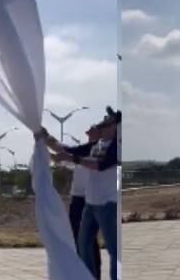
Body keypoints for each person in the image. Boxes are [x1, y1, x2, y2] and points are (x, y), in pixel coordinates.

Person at [40, 108, 121, 280]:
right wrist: (46, 137)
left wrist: (72, 159)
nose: (103, 123)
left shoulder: (117, 147)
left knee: (114, 251)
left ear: (116, 126)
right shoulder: (96, 145)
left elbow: (100, 165)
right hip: (90, 205)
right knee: (83, 245)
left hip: (108, 205)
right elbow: (69, 149)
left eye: (108, 121)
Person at [66, 125, 103, 278]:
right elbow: (64, 154)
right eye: (89, 133)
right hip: (77, 199)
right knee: (76, 237)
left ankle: (93, 273)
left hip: (91, 199)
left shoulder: (100, 152)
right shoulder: (82, 151)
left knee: (88, 239)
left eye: (93, 133)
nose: (90, 135)